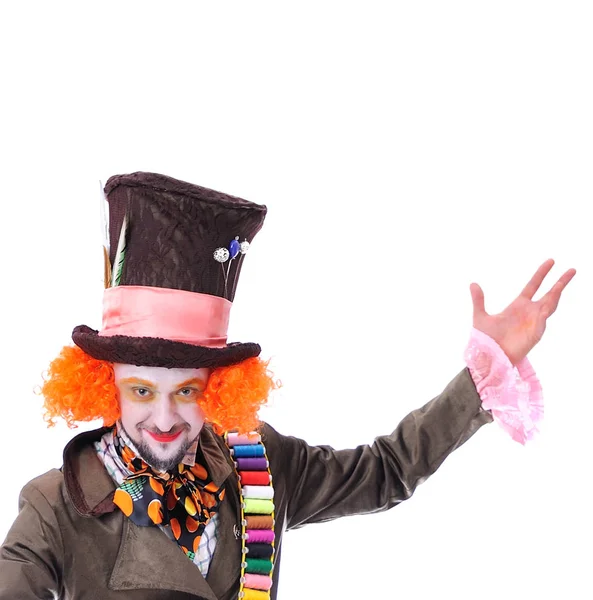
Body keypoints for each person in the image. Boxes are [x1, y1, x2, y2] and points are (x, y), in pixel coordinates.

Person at [0, 172, 576, 600]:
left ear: (218, 388)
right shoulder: (57, 504)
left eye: (188, 391)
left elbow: (386, 472)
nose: (166, 417)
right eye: (143, 391)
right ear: (107, 386)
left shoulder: (259, 463)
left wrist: (486, 369)